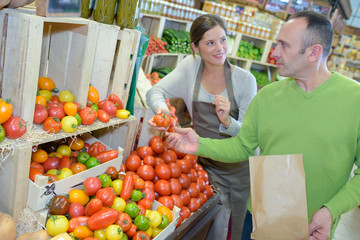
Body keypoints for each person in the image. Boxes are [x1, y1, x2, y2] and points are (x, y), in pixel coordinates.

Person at [164, 11, 360, 240]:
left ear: (314, 52)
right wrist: (199, 144)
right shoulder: (267, 96)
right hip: (258, 218)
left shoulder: (354, 100)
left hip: (313, 229)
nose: (274, 53)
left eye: (283, 46)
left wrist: (331, 211)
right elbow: (242, 147)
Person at [146, 14, 257, 240]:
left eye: (223, 40)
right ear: (195, 47)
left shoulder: (246, 80)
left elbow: (250, 139)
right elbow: (154, 92)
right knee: (196, 230)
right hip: (201, 168)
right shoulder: (190, 68)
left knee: (222, 233)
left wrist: (228, 121)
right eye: (210, 43)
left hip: (235, 174)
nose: (220, 48)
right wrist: (163, 112)